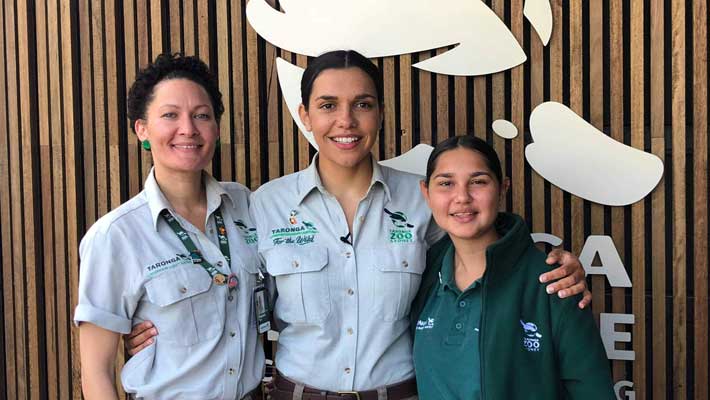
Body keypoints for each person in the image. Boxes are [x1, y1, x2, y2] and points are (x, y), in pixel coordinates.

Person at [126, 50, 590, 399]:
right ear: (304, 115)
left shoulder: (424, 197)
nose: (345, 121)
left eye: (362, 104)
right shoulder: (262, 206)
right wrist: (162, 333)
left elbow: (484, 239)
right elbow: (225, 290)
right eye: (327, 105)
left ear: (380, 114)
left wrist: (553, 265)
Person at [73, 53, 264, 400]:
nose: (188, 129)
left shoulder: (248, 207)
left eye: (201, 115)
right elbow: (96, 371)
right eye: (170, 115)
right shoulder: (116, 236)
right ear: (142, 130)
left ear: (216, 129)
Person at [411, 135, 614, 399]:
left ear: (502, 189)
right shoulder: (422, 273)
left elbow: (593, 391)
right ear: (426, 192)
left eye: (478, 182)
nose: (462, 197)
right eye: (446, 183)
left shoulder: (554, 281)